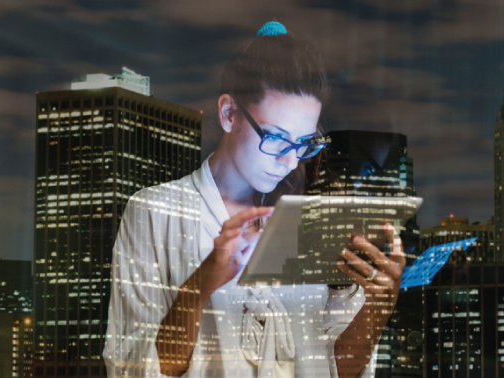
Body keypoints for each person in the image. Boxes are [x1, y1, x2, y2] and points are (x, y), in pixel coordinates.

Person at [103, 21, 405, 378]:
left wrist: (378, 306)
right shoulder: (156, 212)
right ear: (229, 114)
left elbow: (336, 368)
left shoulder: (307, 220)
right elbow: (131, 369)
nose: (291, 161)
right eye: (276, 138)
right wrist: (202, 283)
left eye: (304, 142)